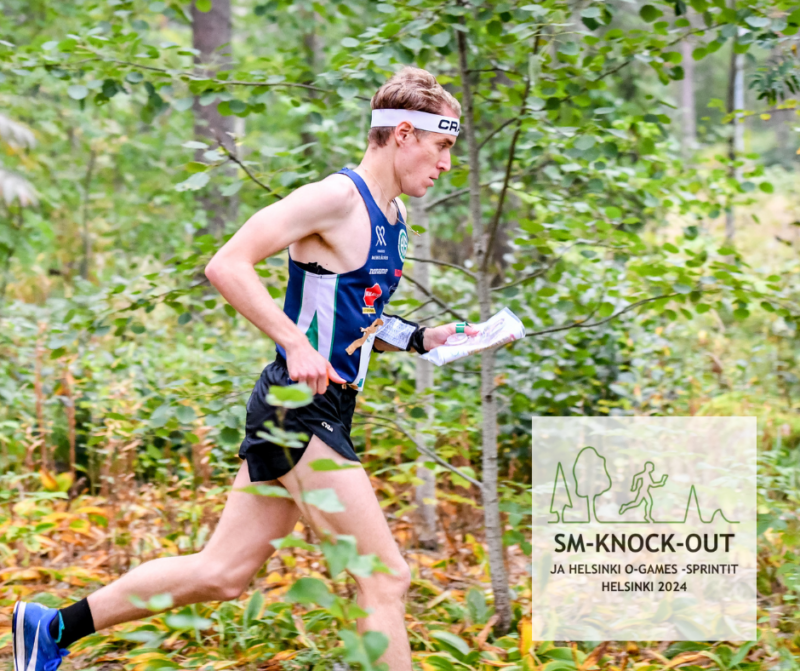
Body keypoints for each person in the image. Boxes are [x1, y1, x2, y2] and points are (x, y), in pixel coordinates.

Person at [13, 66, 478, 671]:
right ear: (404, 134)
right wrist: (294, 344)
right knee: (385, 577)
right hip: (301, 410)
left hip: (317, 407)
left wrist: (420, 338)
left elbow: (354, 318)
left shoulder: (394, 219)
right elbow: (227, 264)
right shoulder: (336, 198)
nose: (445, 163)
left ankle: (50, 627)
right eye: (440, 146)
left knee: (223, 572)